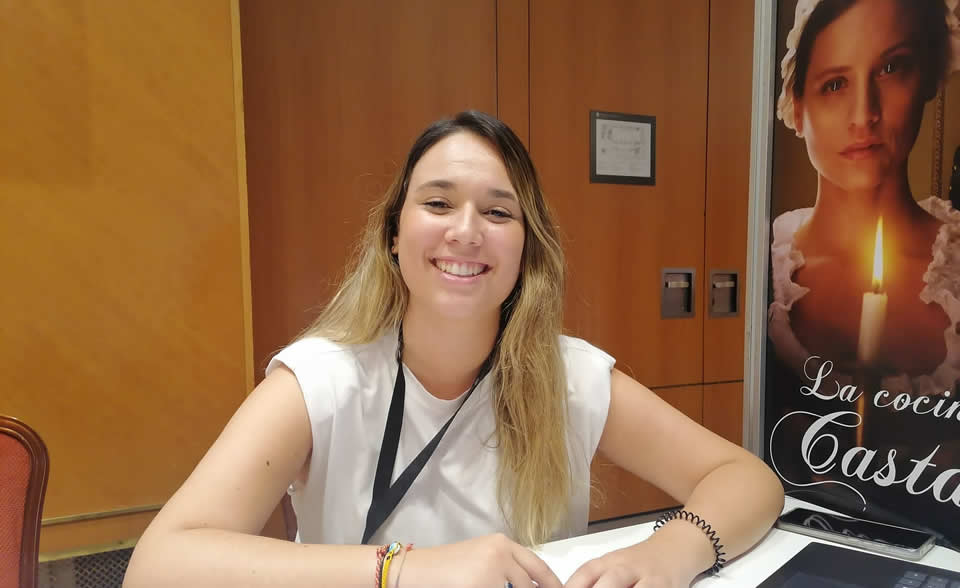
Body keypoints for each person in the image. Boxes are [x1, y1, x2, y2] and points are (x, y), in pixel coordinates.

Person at [123, 111, 783, 588]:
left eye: (498, 213)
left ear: (526, 250)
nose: (466, 232)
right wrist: (405, 570)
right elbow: (158, 566)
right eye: (438, 203)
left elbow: (747, 480)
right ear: (393, 235)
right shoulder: (321, 379)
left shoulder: (569, 376)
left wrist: (670, 554)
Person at [769, 0, 960, 397]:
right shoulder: (764, 266)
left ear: (927, 77)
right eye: (835, 84)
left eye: (891, 68)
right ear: (797, 105)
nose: (863, 115)